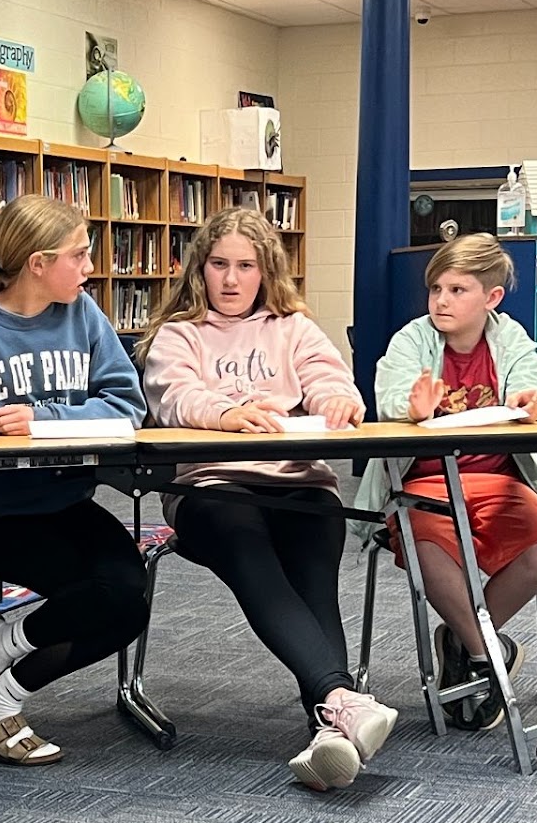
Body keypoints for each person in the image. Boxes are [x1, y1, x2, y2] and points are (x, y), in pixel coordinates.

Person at [140, 206, 397, 792]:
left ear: (266, 271)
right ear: (199, 270)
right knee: (249, 548)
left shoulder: (295, 327)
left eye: (246, 266)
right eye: (219, 265)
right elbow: (176, 397)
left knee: (314, 576)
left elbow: (331, 379)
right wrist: (228, 413)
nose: (231, 280)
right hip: (212, 486)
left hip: (298, 482)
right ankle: (340, 698)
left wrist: (338, 400)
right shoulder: (178, 334)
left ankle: (331, 730)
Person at [0, 193, 149, 765]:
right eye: (80, 254)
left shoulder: (84, 314)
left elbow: (128, 407)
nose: (91, 267)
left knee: (128, 602)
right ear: (39, 263)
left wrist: (43, 420)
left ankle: (1, 671)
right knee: (109, 598)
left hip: (66, 500)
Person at [356, 232, 537, 730]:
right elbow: (390, 396)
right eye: (436, 289)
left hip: (498, 480)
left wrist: (535, 403)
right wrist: (411, 407)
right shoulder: (412, 340)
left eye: (458, 290)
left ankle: (460, 641)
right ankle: (487, 656)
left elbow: (535, 391)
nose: (442, 301)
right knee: (427, 544)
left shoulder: (511, 340)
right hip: (425, 483)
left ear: (491, 298)